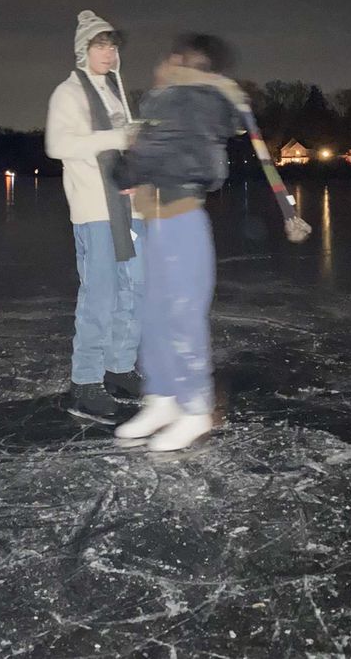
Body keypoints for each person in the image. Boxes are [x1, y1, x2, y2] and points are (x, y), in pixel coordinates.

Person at [112, 33, 244, 451]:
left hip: (179, 219)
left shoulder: (181, 97)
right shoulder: (190, 97)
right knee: (153, 313)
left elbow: (155, 152)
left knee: (180, 314)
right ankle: (162, 397)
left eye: (169, 58)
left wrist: (125, 168)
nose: (161, 64)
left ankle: (194, 408)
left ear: (181, 60)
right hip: (161, 216)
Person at [45, 10, 144, 422]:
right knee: (100, 294)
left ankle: (119, 369)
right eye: (99, 45)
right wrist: (121, 136)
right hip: (94, 209)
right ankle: (84, 383)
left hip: (129, 208)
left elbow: (125, 150)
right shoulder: (69, 93)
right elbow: (57, 144)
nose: (108, 52)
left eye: (112, 45)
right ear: (83, 51)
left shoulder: (116, 95)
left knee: (134, 290)